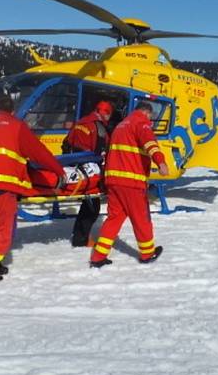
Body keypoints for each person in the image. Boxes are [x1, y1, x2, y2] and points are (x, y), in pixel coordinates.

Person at [0, 93, 65, 284]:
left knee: (0, 223)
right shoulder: (16, 126)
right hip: (2, 186)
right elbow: (38, 152)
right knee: (4, 232)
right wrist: (59, 170)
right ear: (13, 111)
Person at [89, 101, 169, 268]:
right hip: (131, 181)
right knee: (141, 218)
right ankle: (147, 253)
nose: (151, 121)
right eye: (151, 117)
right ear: (146, 113)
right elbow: (151, 145)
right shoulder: (141, 123)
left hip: (113, 181)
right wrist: (161, 162)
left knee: (114, 218)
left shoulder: (120, 126)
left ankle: (98, 257)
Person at [62, 100, 113, 247]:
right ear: (105, 113)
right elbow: (101, 152)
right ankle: (81, 239)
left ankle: (80, 236)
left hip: (72, 168)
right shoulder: (99, 128)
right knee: (92, 207)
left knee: (89, 203)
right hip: (88, 171)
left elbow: (66, 144)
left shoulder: (80, 122)